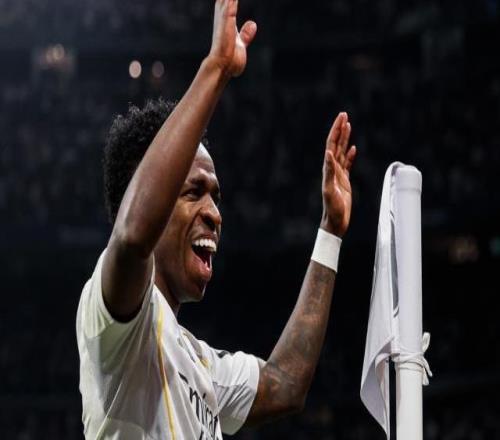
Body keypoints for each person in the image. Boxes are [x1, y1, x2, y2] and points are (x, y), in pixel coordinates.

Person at [76, 0, 357, 438]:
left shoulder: (199, 364)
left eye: (216, 197)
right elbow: (132, 237)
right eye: (193, 192)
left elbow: (285, 383)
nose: (214, 214)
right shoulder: (110, 318)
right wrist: (217, 69)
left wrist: (330, 231)